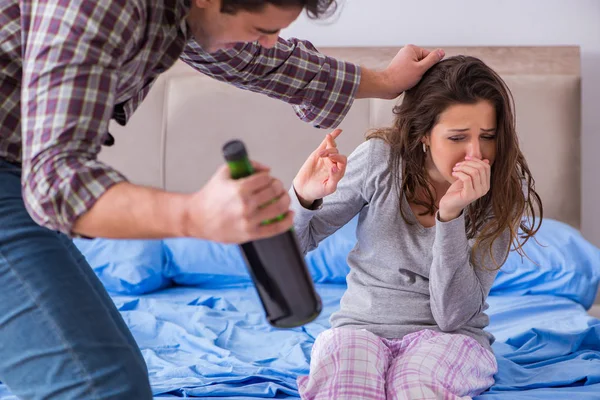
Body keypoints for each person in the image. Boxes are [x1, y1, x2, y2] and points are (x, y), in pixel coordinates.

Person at [0, 0, 445, 398]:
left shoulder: (181, 12)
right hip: (20, 180)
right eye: (262, 29)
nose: (270, 44)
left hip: (19, 178)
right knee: (100, 385)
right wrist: (194, 214)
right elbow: (56, 179)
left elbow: (249, 56)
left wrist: (385, 81)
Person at [290, 55, 543, 399]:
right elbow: (294, 246)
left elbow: (452, 316)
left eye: (487, 136)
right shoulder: (380, 160)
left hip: (451, 339)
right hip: (360, 330)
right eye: (457, 138)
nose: (475, 153)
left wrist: (451, 216)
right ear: (423, 134)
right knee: (346, 386)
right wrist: (304, 199)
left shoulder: (501, 194)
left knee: (414, 387)